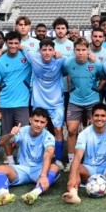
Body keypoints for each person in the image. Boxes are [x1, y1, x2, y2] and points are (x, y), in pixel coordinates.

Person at [62, 104, 106, 204]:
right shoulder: (84, 133)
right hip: (90, 169)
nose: (99, 118)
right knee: (75, 167)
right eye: (96, 115)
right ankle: (73, 194)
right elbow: (78, 156)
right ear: (91, 117)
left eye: (103, 116)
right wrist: (71, 177)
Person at [0, 108, 60, 206]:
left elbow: (48, 154)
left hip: (39, 171)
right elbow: (0, 143)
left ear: (46, 124)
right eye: (36, 121)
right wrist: (10, 134)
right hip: (22, 169)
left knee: (55, 167)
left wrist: (43, 175)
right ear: (30, 120)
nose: (38, 124)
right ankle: (4, 194)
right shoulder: (23, 130)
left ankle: (34, 193)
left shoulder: (48, 136)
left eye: (42, 122)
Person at [64, 37, 106, 171]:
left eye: (83, 50)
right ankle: (71, 161)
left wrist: (98, 89)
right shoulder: (68, 63)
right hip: (74, 100)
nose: (80, 53)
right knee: (71, 130)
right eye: (78, 50)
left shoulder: (96, 64)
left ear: (88, 50)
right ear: (74, 50)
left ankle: (93, 158)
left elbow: (104, 77)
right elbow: (63, 74)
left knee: (95, 129)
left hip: (92, 101)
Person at [0, 31, 31, 165]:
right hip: (5, 103)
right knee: (6, 134)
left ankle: (24, 158)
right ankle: (9, 159)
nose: (13, 46)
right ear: (6, 43)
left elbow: (37, 54)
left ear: (20, 44)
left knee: (24, 133)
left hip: (22, 103)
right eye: (10, 43)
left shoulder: (26, 58)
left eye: (16, 43)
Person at [26, 39, 67, 168]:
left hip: (56, 103)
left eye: (50, 50)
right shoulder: (33, 57)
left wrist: (90, 56)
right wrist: (1, 50)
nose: (47, 52)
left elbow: (77, 60)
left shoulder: (61, 61)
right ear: (40, 51)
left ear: (54, 51)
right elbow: (20, 46)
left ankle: (59, 159)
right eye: (44, 50)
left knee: (58, 129)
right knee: (37, 129)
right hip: (39, 102)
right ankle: (37, 157)